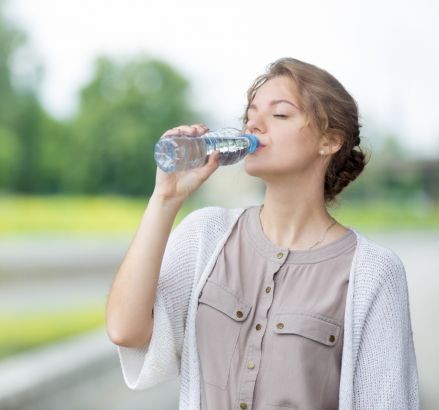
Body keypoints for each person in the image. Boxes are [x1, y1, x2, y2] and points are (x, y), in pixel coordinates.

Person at [105, 57, 419, 410]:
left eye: (280, 114)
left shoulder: (374, 273)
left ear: (329, 141)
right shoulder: (207, 234)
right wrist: (165, 198)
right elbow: (125, 331)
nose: (254, 123)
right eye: (250, 114)